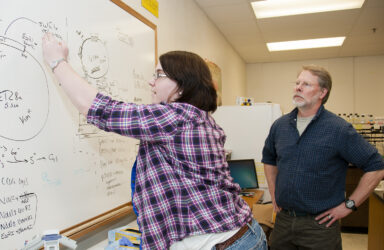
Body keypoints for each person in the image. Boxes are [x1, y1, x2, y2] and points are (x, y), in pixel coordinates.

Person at [42, 33, 267, 250]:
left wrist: (57, 62)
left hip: (225, 243)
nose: (151, 82)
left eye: (159, 74)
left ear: (182, 85)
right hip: (235, 237)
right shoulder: (195, 117)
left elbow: (104, 111)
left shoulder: (179, 117)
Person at [262, 65, 384, 250]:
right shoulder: (280, 126)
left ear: (322, 92)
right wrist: (273, 193)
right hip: (283, 222)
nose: (298, 87)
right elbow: (269, 159)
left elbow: (377, 167)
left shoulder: (338, 129)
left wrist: (349, 205)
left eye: (306, 84)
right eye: (297, 83)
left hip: (320, 227)